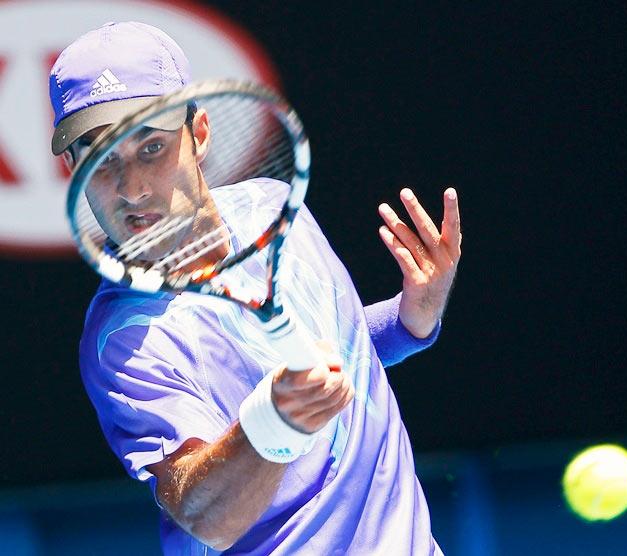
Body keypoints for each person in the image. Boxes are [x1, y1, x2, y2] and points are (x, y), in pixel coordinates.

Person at [50, 22, 461, 555]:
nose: (133, 190)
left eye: (151, 147)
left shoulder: (271, 208)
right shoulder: (124, 342)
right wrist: (273, 422)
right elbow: (205, 517)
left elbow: (338, 353)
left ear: (198, 135)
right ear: (71, 168)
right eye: (102, 161)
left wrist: (411, 320)